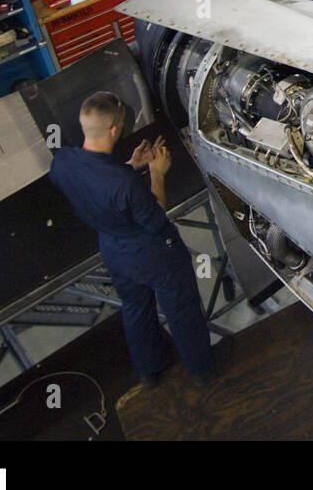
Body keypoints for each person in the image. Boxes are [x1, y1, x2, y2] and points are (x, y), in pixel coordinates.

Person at [48, 92, 214, 389]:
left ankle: (149, 371)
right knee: (181, 308)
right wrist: (157, 173)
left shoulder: (62, 162)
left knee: (136, 308)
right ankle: (201, 371)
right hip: (153, 252)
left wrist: (132, 164)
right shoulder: (123, 185)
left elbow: (97, 181)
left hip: (113, 249)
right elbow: (157, 215)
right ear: (115, 129)